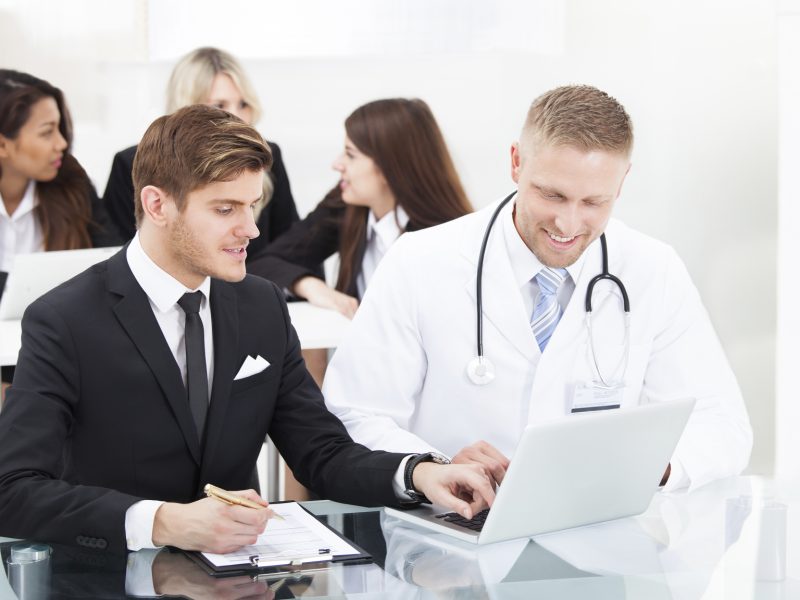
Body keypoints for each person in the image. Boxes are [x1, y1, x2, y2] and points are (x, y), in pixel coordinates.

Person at [0, 105, 494, 555]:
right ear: (157, 205)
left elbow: (321, 452)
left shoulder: (262, 305)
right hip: (109, 578)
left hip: (241, 578)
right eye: (225, 209)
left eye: (252, 205)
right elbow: (13, 488)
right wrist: (162, 522)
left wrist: (419, 473)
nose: (251, 230)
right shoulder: (64, 319)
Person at [322, 85, 753, 492]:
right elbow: (354, 414)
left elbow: (721, 425)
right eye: (552, 195)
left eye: (593, 203)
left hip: (595, 540)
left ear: (621, 183)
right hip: (442, 537)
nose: (568, 224)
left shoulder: (653, 270)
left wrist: (647, 464)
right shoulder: (419, 261)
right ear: (516, 162)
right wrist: (435, 466)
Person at [248, 98, 472, 319]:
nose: (337, 164)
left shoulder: (449, 240)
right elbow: (262, 263)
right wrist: (308, 285)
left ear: (390, 167)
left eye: (350, 155)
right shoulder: (346, 205)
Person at [103, 46, 301, 261]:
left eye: (243, 104)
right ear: (187, 108)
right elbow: (123, 256)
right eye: (219, 105)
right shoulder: (131, 164)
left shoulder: (264, 158)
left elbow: (292, 244)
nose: (236, 117)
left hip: (254, 287)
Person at [0, 69, 119, 389]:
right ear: (3, 145)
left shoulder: (72, 183)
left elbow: (113, 265)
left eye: (60, 129)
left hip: (61, 355)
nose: (62, 143)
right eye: (46, 132)